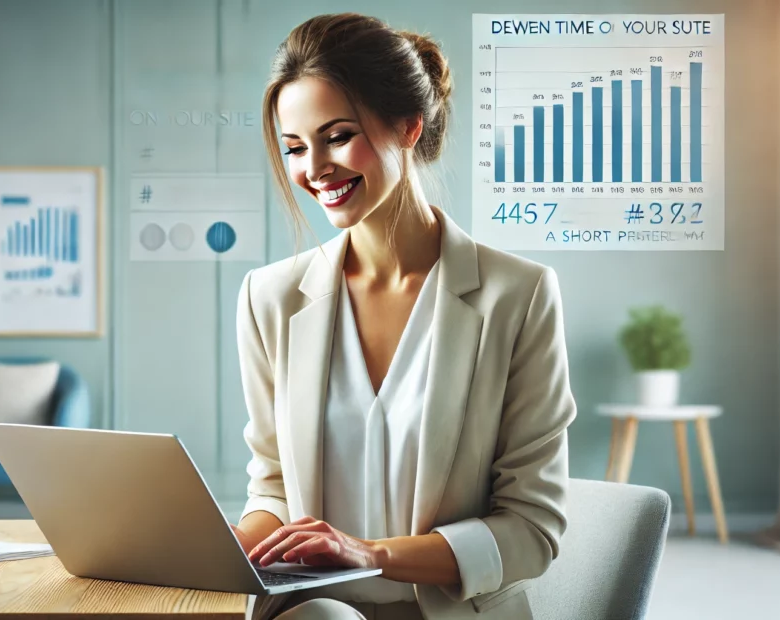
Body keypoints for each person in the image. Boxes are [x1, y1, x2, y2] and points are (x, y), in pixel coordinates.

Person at [230, 13, 577, 620]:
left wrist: (369, 554)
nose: (314, 168)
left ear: (409, 127)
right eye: (294, 147)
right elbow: (276, 490)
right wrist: (218, 549)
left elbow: (531, 529)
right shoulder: (270, 298)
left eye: (337, 136)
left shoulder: (516, 295)